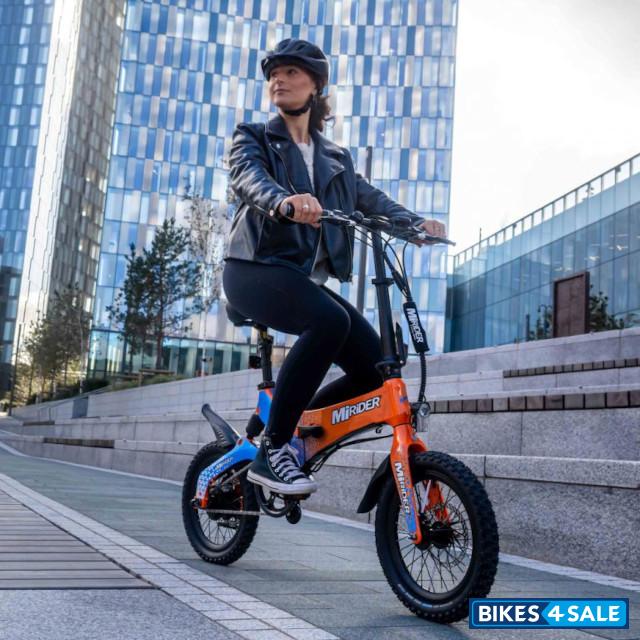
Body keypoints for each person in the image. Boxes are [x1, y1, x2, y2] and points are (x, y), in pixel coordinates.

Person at [223, 38, 446, 496]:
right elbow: (249, 178)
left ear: (316, 86)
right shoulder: (254, 136)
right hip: (252, 268)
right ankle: (273, 449)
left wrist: (414, 223)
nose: (278, 81)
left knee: (373, 366)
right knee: (329, 320)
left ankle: (297, 431)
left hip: (297, 280)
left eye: (291, 72)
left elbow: (370, 200)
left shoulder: (336, 158)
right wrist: (283, 202)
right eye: (273, 74)